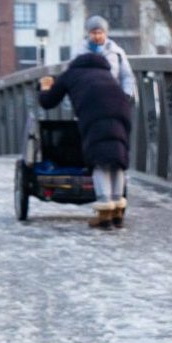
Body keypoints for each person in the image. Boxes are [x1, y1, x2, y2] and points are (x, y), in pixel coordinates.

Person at [38, 52, 134, 229]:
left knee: (100, 162)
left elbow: (48, 102)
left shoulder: (71, 74)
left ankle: (104, 213)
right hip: (122, 111)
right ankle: (117, 211)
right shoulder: (106, 73)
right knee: (116, 160)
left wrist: (45, 87)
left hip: (95, 115)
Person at [77, 15, 136, 98]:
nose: (97, 36)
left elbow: (127, 75)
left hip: (113, 97)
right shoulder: (80, 53)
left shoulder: (116, 52)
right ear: (89, 34)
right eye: (94, 33)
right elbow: (74, 77)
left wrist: (126, 94)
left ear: (105, 33)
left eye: (100, 33)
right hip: (89, 100)